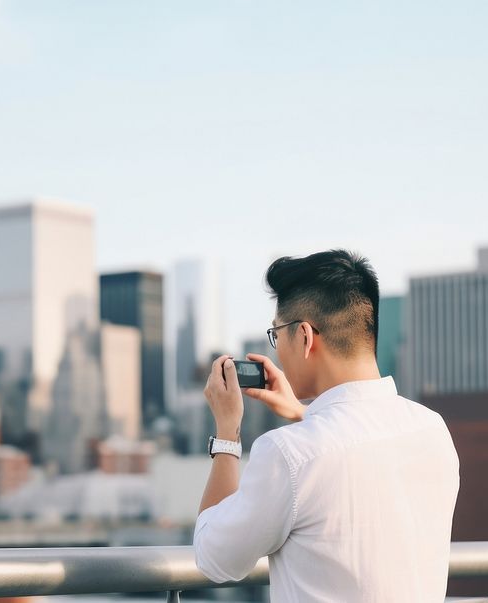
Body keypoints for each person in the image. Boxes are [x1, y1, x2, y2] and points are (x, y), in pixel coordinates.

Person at [193, 249, 459, 602]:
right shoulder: (433, 430)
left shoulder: (288, 453)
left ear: (304, 336)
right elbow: (355, 451)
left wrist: (228, 433)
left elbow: (215, 557)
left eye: (277, 334)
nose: (278, 351)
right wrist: (307, 414)